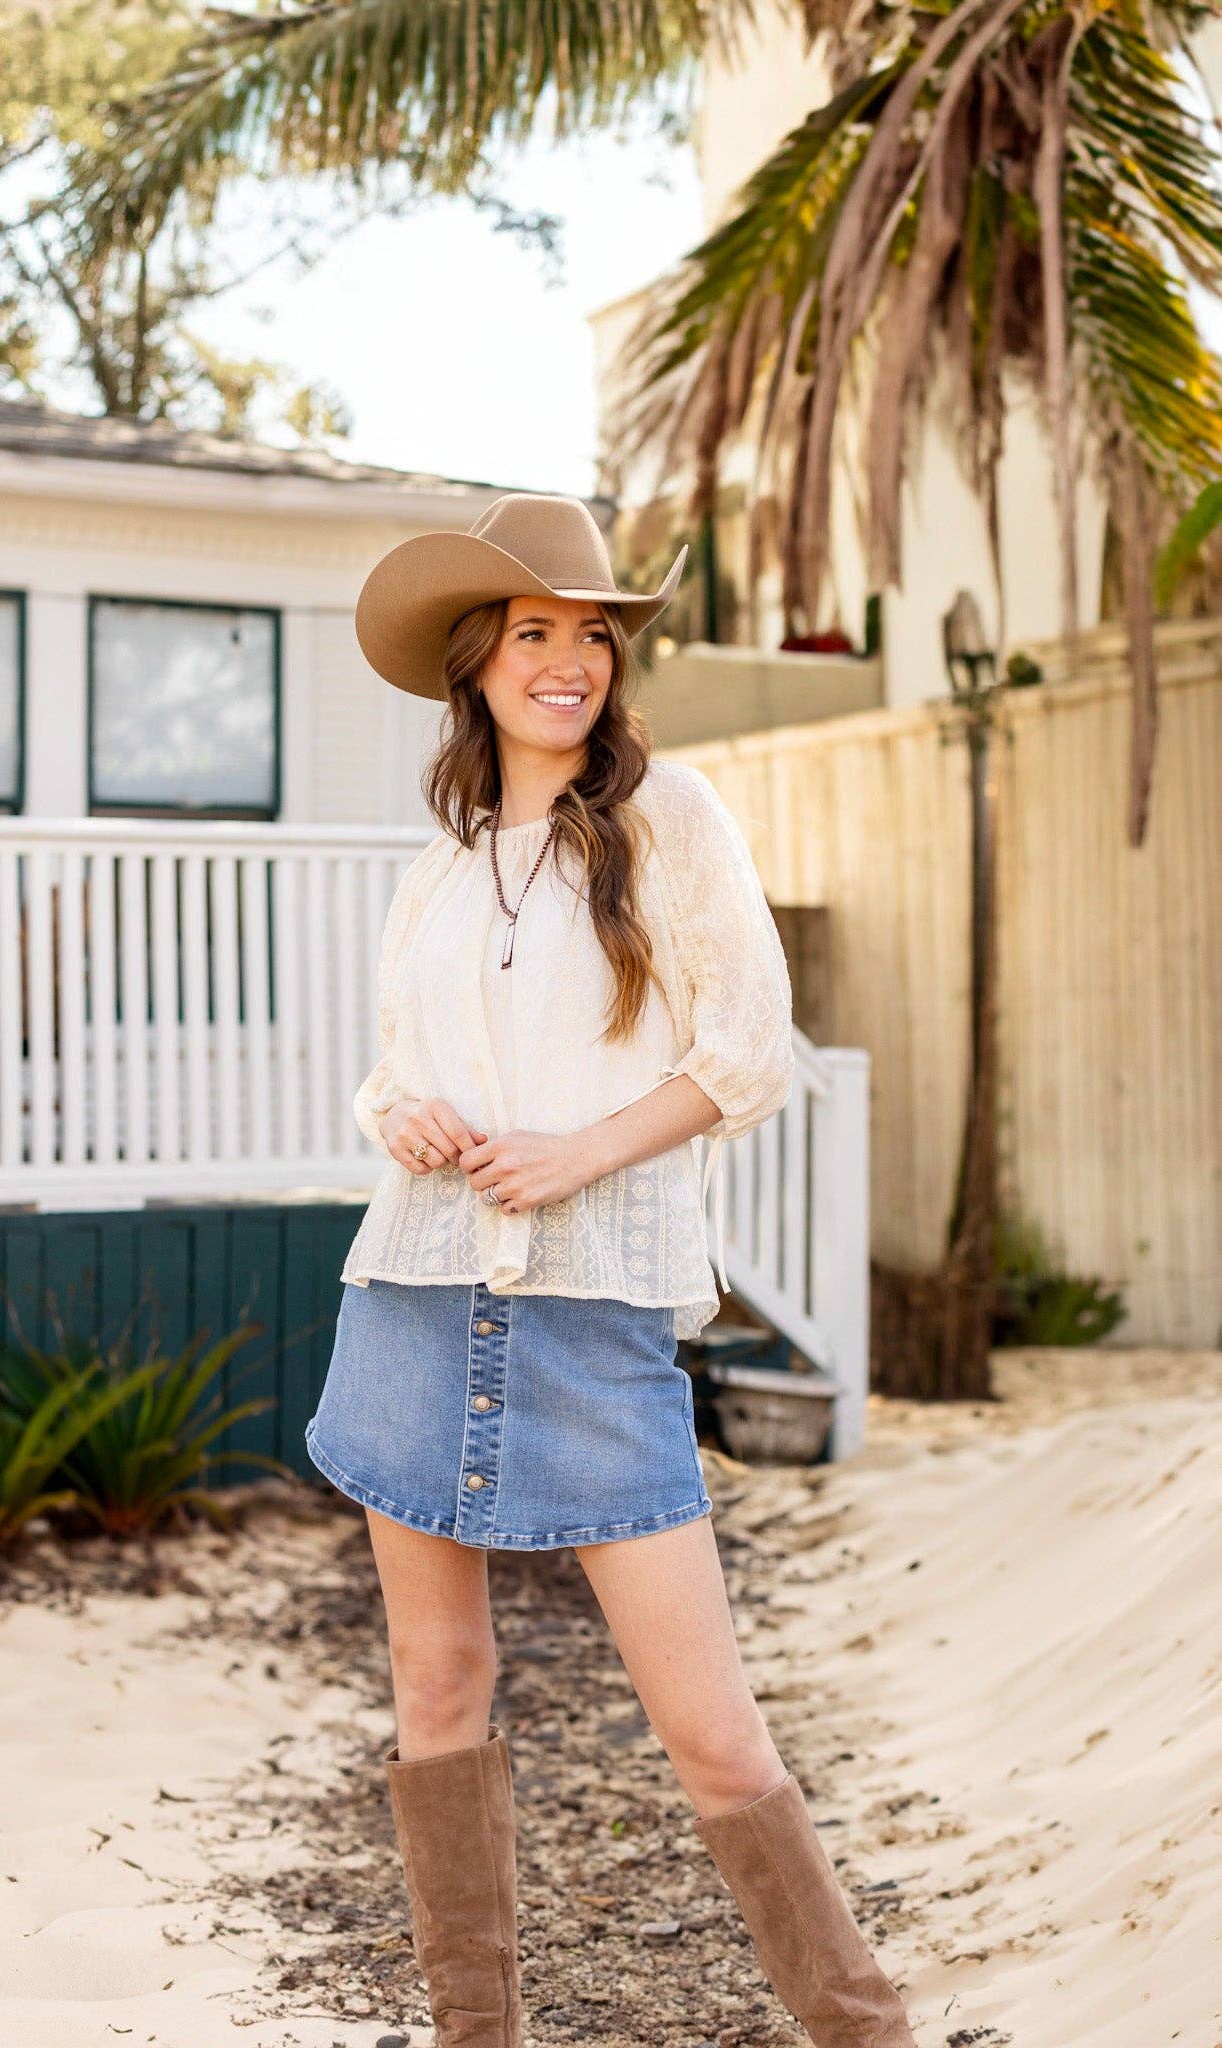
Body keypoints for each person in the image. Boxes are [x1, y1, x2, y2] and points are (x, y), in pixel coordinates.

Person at [304, 492, 917, 2048]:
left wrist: (581, 1150)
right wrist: (415, 1113)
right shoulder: (436, 875)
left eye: (591, 635)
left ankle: (861, 2030)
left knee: (709, 1734)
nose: (567, 661)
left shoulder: (672, 823)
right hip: (416, 1302)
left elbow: (748, 1055)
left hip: (598, 1322)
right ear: (475, 666)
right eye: (533, 634)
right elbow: (381, 1081)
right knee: (435, 1698)